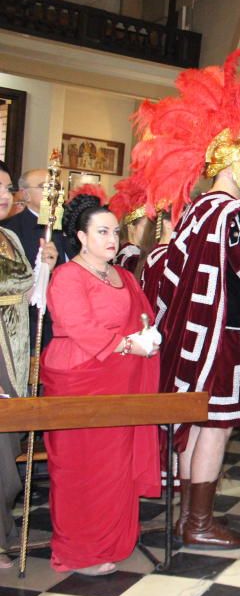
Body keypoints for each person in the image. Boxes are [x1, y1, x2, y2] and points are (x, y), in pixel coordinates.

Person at [142, 50, 240, 550]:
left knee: (197, 424)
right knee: (215, 431)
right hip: (223, 341)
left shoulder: (197, 209)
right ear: (230, 164)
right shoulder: (238, 213)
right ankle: (200, 522)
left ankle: (190, 515)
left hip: (191, 337)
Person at [40, 192, 162, 575]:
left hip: (120, 380)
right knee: (82, 469)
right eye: (102, 231)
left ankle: (113, 540)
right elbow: (79, 327)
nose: (112, 238)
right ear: (81, 236)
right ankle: (80, 551)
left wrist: (150, 336)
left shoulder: (122, 274)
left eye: (115, 231)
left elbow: (142, 315)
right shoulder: (66, 275)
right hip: (80, 381)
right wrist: (129, 344)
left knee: (115, 467)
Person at [0, 161, 55, 568]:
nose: (4, 195)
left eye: (6, 187)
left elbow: (32, 295)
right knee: (5, 470)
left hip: (16, 356)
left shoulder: (9, 238)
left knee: (9, 455)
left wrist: (45, 266)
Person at [1, 167, 66, 355]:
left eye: (55, 186)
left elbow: (28, 290)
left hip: (48, 321)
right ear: (25, 194)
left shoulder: (64, 226)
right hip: (17, 328)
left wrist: (46, 269)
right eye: (44, 186)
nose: (52, 192)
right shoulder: (14, 229)